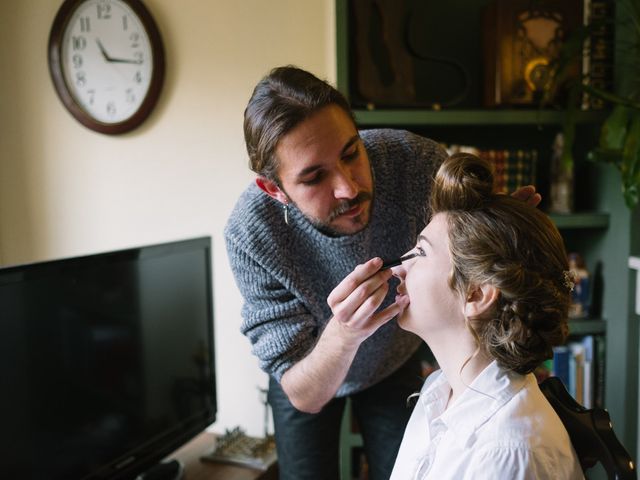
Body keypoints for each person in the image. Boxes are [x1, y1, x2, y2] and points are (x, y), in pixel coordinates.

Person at [224, 65, 540, 479]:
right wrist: (343, 335)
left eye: (352, 154)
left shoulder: (415, 163)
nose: (348, 188)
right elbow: (301, 394)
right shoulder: (250, 235)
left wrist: (497, 235)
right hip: (309, 371)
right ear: (274, 189)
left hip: (395, 359)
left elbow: (467, 251)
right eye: (315, 177)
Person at [389, 153, 583, 479]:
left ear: (476, 294)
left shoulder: (507, 450)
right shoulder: (439, 391)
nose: (399, 267)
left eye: (420, 251)